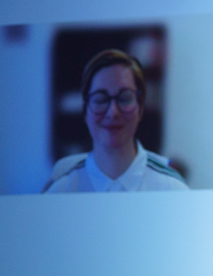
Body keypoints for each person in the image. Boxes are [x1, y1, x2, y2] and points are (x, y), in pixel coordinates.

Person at [43, 49, 188, 193]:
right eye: (100, 99)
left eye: (124, 98)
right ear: (85, 111)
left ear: (141, 107)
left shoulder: (172, 189)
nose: (112, 112)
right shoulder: (60, 191)